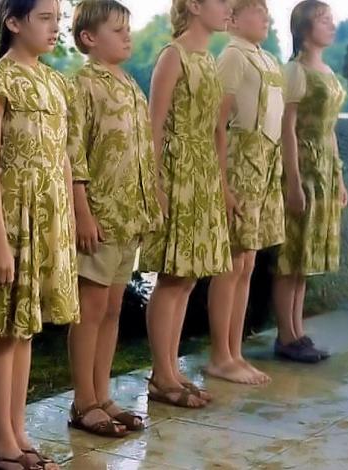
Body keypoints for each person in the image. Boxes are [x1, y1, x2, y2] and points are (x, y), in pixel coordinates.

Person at [0, 0, 78, 468]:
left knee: (25, 328)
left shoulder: (55, 81)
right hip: (12, 217)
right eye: (45, 18)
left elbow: (64, 156)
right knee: (5, 330)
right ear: (14, 22)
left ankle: (17, 431)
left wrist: (69, 219)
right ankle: (1, 445)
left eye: (59, 19)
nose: (56, 28)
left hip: (48, 218)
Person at [65, 0, 163, 437]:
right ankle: (83, 401)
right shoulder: (83, 84)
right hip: (99, 217)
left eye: (129, 29)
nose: (128, 36)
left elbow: (142, 150)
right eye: (117, 29)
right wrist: (81, 212)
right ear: (89, 38)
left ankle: (102, 394)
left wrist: (151, 198)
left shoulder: (130, 84)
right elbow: (74, 153)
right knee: (90, 309)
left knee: (113, 307)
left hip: (129, 216)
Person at [139, 0, 233, 409]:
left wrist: (222, 186)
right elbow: (153, 127)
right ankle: (161, 375)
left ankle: (172, 370)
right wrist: (154, 184)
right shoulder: (173, 56)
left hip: (203, 177)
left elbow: (215, 130)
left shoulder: (208, 59)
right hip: (177, 175)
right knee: (172, 276)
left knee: (190, 276)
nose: (229, 8)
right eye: (222, 2)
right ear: (194, 5)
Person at [206, 0, 284, 385]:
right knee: (231, 260)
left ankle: (235, 351)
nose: (265, 17)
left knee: (247, 261)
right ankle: (220, 354)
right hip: (240, 161)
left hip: (265, 163)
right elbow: (217, 123)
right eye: (257, 10)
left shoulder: (265, 59)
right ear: (233, 19)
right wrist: (222, 183)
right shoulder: (233, 56)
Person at [273, 0, 347, 364]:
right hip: (302, 165)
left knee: (306, 257)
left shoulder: (328, 71)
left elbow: (330, 130)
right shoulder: (295, 71)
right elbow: (287, 129)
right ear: (304, 28)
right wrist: (293, 182)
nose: (331, 25)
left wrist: (339, 176)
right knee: (291, 255)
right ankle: (285, 335)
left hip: (324, 168)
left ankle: (297, 330)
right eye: (323, 20)